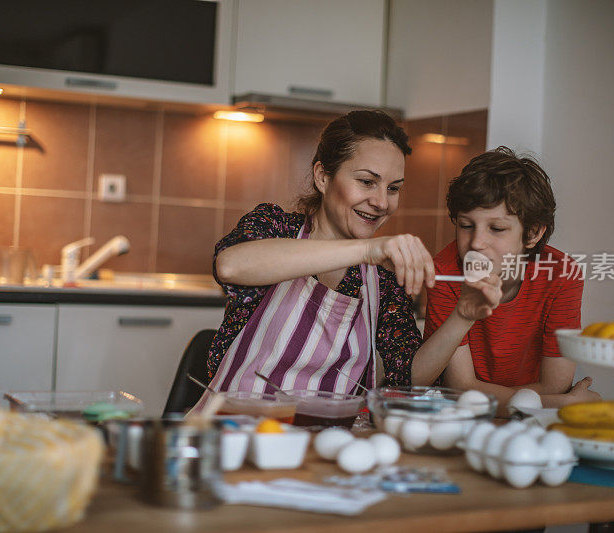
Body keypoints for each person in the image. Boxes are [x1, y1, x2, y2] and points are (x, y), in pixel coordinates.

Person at [199, 110, 501, 403]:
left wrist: (463, 316)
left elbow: (406, 379)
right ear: (322, 177)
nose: (382, 202)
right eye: (367, 182)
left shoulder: (382, 279)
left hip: (328, 443)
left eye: (393, 188)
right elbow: (230, 265)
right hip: (236, 435)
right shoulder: (276, 227)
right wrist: (368, 249)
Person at [424, 146, 601, 409]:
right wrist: (563, 404)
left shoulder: (562, 274)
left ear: (532, 233)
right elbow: (460, 386)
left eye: (496, 228)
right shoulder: (445, 271)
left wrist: (550, 398)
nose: (477, 242)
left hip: (532, 421)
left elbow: (555, 382)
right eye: (465, 225)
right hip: (465, 416)